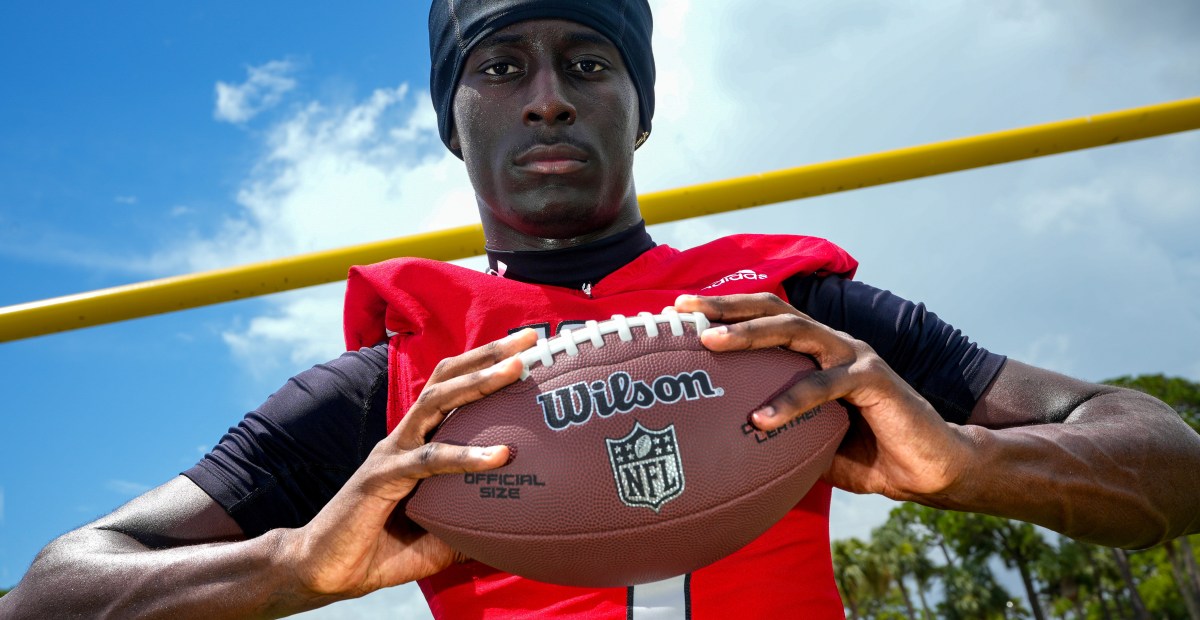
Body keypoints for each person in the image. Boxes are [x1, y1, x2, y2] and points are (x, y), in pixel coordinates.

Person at [4, 1, 1199, 617]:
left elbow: (1171, 467)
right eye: (499, 66)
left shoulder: (792, 315)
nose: (547, 99)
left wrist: (972, 462)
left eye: (588, 63)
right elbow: (52, 593)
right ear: (450, 116)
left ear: (641, 106)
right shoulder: (399, 384)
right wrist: (296, 563)